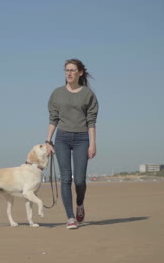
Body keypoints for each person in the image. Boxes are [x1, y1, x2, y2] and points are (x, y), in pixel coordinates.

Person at [45, 58, 99, 229]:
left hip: (82, 139)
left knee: (80, 180)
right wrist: (48, 140)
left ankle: (80, 204)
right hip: (62, 139)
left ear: (80, 73)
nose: (68, 73)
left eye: (72, 70)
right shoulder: (57, 93)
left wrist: (92, 143)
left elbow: (91, 121)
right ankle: (70, 217)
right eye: (66, 70)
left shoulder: (88, 94)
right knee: (66, 178)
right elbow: (53, 118)